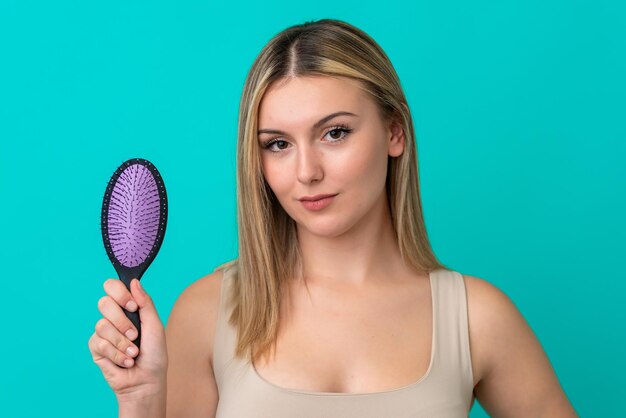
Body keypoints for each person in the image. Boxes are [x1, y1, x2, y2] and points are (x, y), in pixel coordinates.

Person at [88, 18, 578, 417]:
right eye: (278, 144)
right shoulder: (207, 313)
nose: (307, 171)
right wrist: (141, 400)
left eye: (335, 133)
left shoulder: (476, 319)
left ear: (395, 132)